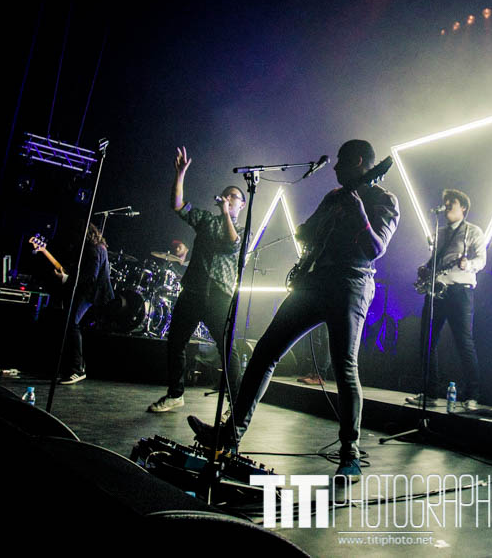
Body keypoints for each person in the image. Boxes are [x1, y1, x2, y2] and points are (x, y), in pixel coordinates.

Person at [188, 140, 398, 479]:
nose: (335, 168)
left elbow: (375, 249)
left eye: (341, 161)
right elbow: (307, 232)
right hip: (314, 283)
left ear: (358, 161)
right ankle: (230, 437)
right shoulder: (334, 196)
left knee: (345, 368)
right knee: (265, 351)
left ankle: (351, 455)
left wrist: (357, 209)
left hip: (351, 285)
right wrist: (315, 227)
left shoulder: (383, 200)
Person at [147, 147, 246, 412]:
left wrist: (226, 213)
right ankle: (175, 394)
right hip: (192, 291)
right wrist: (180, 174)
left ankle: (236, 404)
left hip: (219, 295)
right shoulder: (205, 219)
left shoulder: (240, 229)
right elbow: (178, 205)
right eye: (227, 195)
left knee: (227, 349)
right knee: (176, 342)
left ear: (241, 205)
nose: (228, 198)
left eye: (234, 197)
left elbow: (231, 244)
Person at [406, 189, 487, 411]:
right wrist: (425, 267)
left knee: (464, 343)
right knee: (427, 341)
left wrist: (468, 264)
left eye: (452, 203)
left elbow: (482, 259)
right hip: (437, 291)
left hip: (460, 291)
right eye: (446, 203)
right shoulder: (439, 232)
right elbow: (436, 258)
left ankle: (472, 395)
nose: (447, 205)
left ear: (464, 208)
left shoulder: (473, 231)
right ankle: (430, 392)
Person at [31, 223, 114, 385]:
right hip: (89, 291)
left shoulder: (93, 249)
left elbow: (90, 277)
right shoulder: (98, 247)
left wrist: (66, 279)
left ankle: (77, 369)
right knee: (69, 324)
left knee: (71, 325)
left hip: (91, 292)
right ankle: (71, 367)